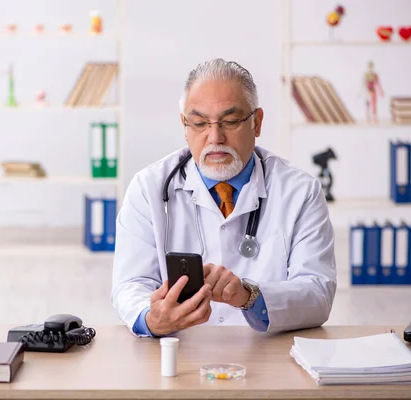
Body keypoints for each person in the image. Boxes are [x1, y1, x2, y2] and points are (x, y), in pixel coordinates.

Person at [111, 58, 337, 337]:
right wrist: (152, 318)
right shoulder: (149, 188)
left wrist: (248, 296)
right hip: (178, 355)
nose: (214, 137)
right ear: (184, 126)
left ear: (257, 122)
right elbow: (130, 284)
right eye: (199, 123)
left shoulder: (300, 191)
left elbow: (318, 292)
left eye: (230, 121)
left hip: (269, 357)